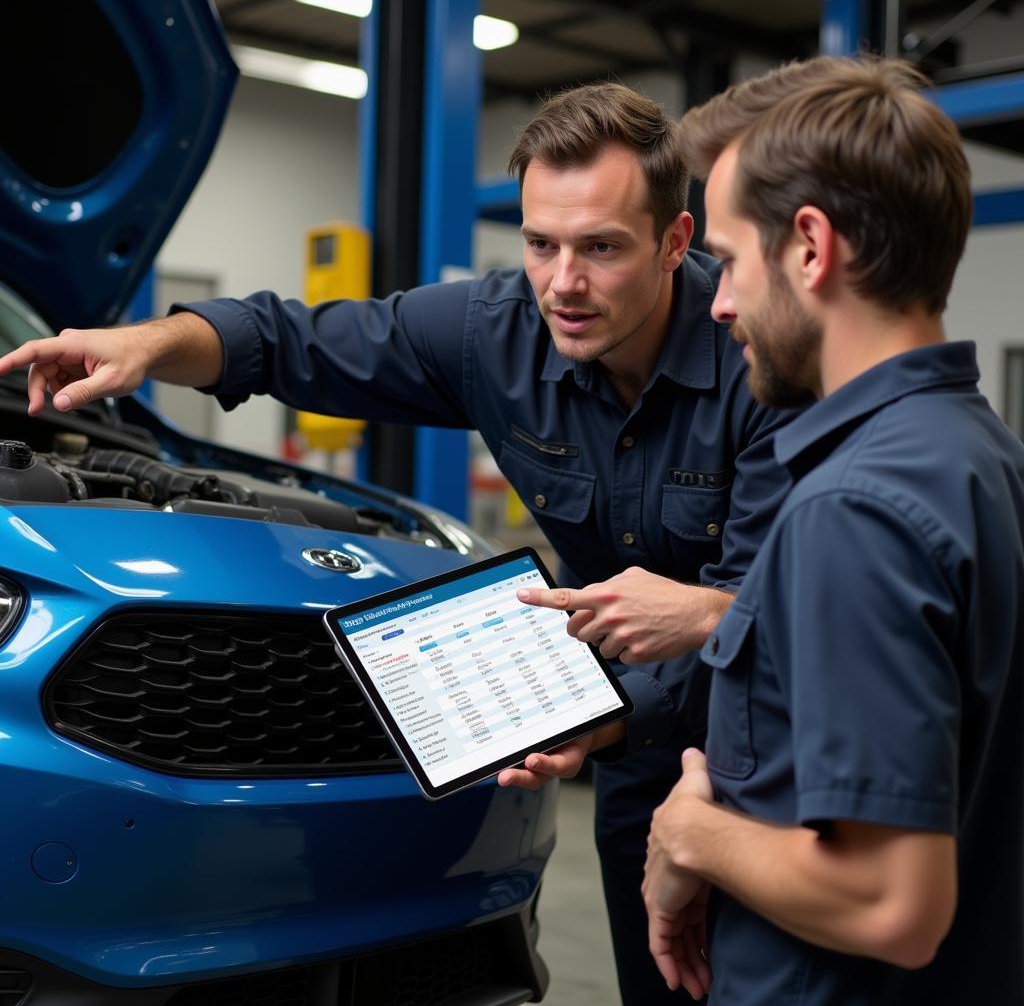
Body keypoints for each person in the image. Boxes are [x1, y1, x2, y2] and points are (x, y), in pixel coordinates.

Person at [0, 83, 794, 1004]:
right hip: (625, 749)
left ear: (675, 241)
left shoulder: (758, 362)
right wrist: (151, 343)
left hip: (765, 744)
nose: (563, 284)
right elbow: (288, 342)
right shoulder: (494, 332)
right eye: (541, 245)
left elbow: (755, 611)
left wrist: (600, 712)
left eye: (602, 248)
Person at [590, 56, 1021, 1003]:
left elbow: (889, 903)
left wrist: (693, 836)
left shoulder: (851, 508)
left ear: (812, 249)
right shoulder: (975, 454)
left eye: (734, 261)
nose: (721, 302)